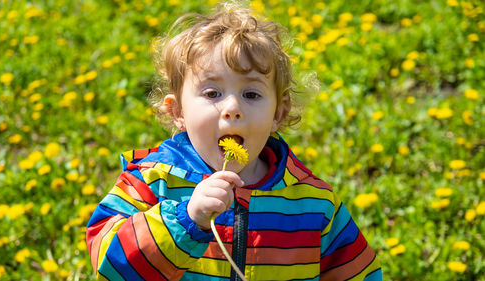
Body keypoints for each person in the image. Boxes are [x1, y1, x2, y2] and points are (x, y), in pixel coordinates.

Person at [86, 3, 382, 280]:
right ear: (178, 112)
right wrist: (186, 221)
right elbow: (109, 264)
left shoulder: (312, 203)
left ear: (278, 113)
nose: (232, 108)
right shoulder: (152, 181)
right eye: (212, 93)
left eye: (251, 94)